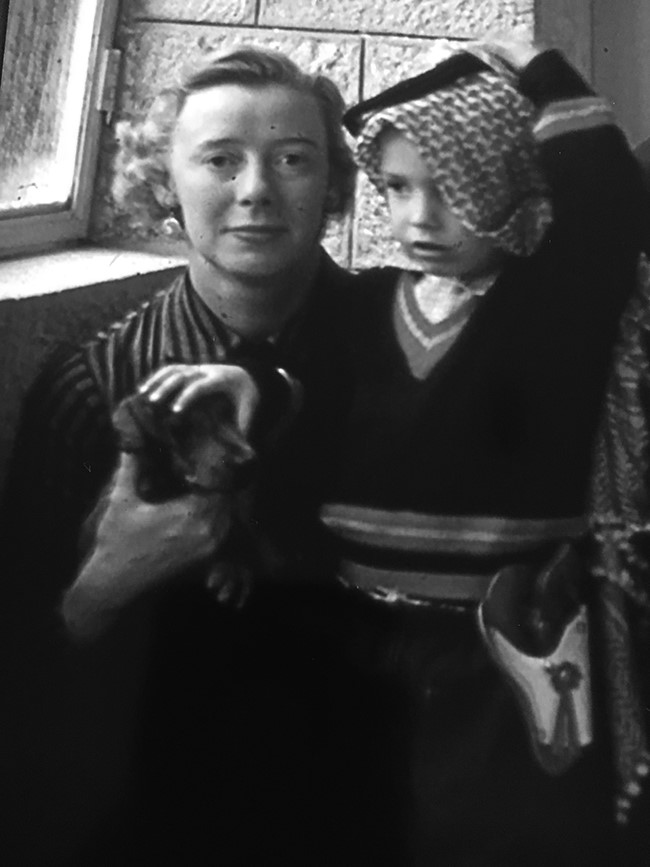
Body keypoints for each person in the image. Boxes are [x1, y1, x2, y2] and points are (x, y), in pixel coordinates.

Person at [149, 40, 650, 865]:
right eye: (397, 188)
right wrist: (252, 388)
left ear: (510, 180)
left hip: (498, 650)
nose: (418, 219)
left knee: (487, 830)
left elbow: (606, 199)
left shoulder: (556, 307)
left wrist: (543, 75)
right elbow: (300, 384)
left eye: (451, 188)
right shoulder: (365, 307)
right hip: (358, 635)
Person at [1, 46, 361, 866]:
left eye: (293, 159)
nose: (257, 190)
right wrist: (104, 585)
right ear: (165, 183)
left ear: (334, 183)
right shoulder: (95, 388)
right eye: (220, 160)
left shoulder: (397, 352)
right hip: (164, 805)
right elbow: (22, 663)